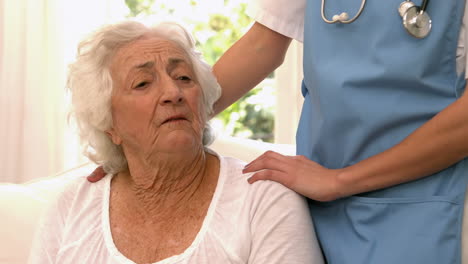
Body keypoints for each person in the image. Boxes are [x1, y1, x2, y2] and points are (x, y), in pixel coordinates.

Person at [86, 1, 468, 263]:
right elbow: (262, 45)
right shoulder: (275, 209)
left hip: (423, 202)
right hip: (319, 196)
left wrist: (339, 181)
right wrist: (145, 140)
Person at [28, 21, 324, 264]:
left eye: (183, 77)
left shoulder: (264, 200)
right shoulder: (70, 208)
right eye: (143, 83)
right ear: (108, 124)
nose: (173, 92)